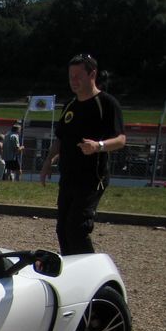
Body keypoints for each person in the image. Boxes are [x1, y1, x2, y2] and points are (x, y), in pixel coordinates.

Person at [39, 54, 126, 254]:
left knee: (77, 228)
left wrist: (98, 146)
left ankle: (91, 268)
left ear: (92, 75)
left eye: (78, 76)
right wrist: (47, 162)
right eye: (71, 76)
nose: (73, 81)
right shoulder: (69, 106)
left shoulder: (106, 104)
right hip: (68, 177)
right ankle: (72, 267)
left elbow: (121, 139)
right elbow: (60, 138)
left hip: (92, 179)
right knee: (62, 230)